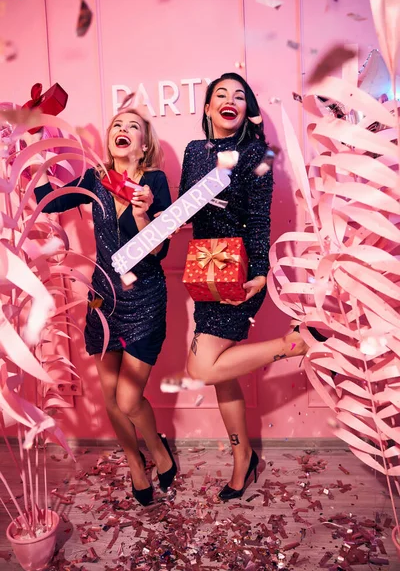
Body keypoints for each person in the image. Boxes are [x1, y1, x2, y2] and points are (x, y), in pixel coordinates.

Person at [178, 73, 314, 501]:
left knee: (202, 368)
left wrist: (259, 271)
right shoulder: (193, 152)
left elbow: (259, 217)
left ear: (247, 110)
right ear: (207, 108)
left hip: (237, 272)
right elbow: (187, 210)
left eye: (239, 95)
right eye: (221, 94)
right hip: (203, 273)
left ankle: (296, 344)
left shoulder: (256, 153)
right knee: (222, 376)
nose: (229, 100)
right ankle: (244, 459)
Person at [33, 108, 177, 506]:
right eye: (118, 125)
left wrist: (143, 212)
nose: (123, 130)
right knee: (110, 396)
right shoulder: (95, 178)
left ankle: (158, 449)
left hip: (145, 296)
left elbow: (161, 250)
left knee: (130, 399)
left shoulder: (155, 182)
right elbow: (47, 202)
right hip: (100, 297)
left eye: (134, 126)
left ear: (143, 143)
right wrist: (36, 153)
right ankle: (134, 461)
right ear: (111, 138)